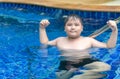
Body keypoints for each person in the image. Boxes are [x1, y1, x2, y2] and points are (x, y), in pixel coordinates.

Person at [39, 14, 118, 79]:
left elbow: (109, 46)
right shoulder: (59, 40)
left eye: (76, 25)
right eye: (69, 25)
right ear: (64, 29)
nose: (73, 27)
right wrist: (42, 28)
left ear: (81, 28)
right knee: (59, 77)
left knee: (105, 67)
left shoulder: (88, 40)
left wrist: (114, 30)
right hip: (66, 63)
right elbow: (45, 43)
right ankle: (75, 73)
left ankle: (79, 77)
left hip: (85, 60)